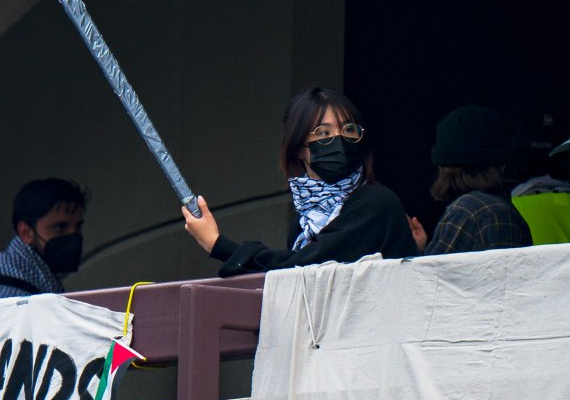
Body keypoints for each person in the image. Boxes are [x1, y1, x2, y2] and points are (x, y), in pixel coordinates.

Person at [180, 86, 417, 273]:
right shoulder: (302, 224)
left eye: (348, 130)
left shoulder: (375, 203)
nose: (339, 140)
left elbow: (302, 269)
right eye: (323, 133)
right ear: (298, 149)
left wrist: (218, 245)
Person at [413, 105, 532, 255]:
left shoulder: (467, 210)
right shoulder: (499, 208)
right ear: (500, 164)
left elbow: (434, 276)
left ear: (443, 166)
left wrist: (417, 252)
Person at [0, 177, 87, 301]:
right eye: (60, 226)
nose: (73, 235)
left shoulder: (39, 278)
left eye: (78, 226)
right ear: (26, 232)